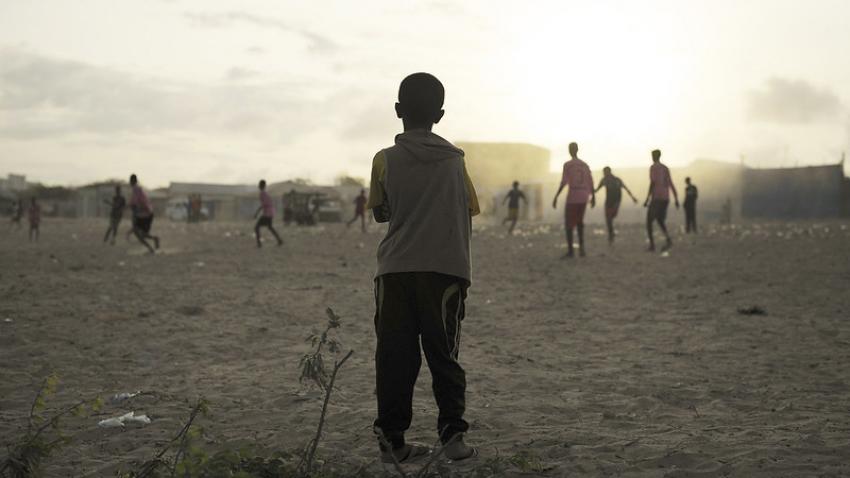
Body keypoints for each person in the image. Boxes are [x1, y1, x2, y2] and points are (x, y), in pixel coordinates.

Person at [367, 72, 479, 464]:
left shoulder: (384, 160)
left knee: (394, 356)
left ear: (398, 111)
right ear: (441, 114)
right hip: (445, 269)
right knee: (444, 354)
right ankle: (452, 436)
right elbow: (468, 207)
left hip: (396, 270)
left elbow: (382, 212)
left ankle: (392, 442)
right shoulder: (456, 161)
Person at [552, 142, 595, 257]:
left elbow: (564, 182)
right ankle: (582, 249)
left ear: (570, 150)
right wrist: (593, 196)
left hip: (573, 196)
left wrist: (556, 196)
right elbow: (590, 181)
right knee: (580, 222)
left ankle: (571, 250)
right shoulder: (585, 165)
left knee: (569, 224)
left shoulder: (568, 165)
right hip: (584, 196)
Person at [643, 150, 679, 252]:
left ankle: (652, 245)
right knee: (659, 220)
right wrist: (675, 198)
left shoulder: (653, 168)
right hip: (665, 198)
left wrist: (647, 198)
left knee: (649, 221)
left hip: (657, 198)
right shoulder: (665, 168)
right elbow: (670, 183)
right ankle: (668, 239)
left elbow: (653, 183)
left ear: (654, 156)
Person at [594, 166, 638, 244]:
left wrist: (633, 197)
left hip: (616, 201)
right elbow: (597, 190)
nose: (604, 174)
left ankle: (611, 234)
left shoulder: (616, 180)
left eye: (605, 172)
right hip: (609, 202)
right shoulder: (605, 180)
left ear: (608, 172)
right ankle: (611, 234)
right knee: (608, 219)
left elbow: (625, 188)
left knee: (610, 217)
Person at [129, 174, 160, 254]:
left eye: (131, 180)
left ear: (133, 181)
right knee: (142, 234)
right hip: (146, 214)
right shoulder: (138, 189)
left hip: (143, 214)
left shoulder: (136, 189)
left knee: (139, 234)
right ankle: (154, 241)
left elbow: (135, 203)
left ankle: (151, 248)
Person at [253, 179, 283, 248]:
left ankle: (259, 244)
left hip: (267, 214)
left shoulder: (262, 194)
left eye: (259, 185)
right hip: (271, 213)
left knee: (256, 227)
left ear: (261, 185)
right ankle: (279, 240)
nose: (259, 186)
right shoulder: (266, 193)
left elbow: (263, 205)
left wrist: (256, 213)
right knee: (270, 227)